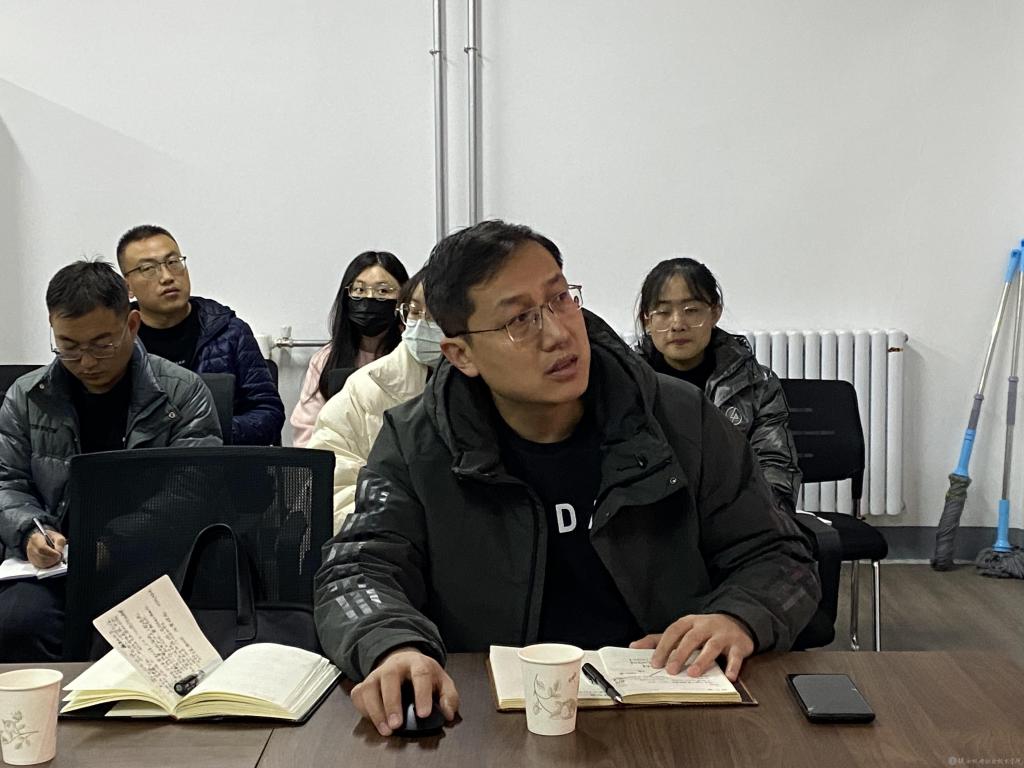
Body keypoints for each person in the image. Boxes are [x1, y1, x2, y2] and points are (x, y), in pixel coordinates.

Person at [313, 220, 820, 736]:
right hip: (488, 720)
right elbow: (357, 570)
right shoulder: (415, 441)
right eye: (519, 319)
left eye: (560, 299)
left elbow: (781, 555)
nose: (558, 333)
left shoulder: (680, 418)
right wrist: (393, 645)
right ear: (462, 354)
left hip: (668, 707)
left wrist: (737, 616)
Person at [0, 260, 221, 661]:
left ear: (132, 325)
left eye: (102, 345)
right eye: (68, 346)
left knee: (135, 643)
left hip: (149, 559)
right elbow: (6, 481)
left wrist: (112, 543)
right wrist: (31, 531)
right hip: (55, 564)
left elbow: (193, 489)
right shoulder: (27, 396)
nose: (86, 362)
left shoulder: (182, 392)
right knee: (17, 623)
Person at [634, 258, 801, 515]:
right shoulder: (625, 385)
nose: (677, 324)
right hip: (650, 525)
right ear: (647, 320)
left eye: (691, 310)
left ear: (714, 313)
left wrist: (754, 523)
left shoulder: (758, 385)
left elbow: (776, 469)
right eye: (663, 312)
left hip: (737, 522)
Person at [117, 225, 285, 446]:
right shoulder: (117, 342)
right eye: (148, 268)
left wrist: (203, 433)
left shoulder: (230, 333)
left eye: (173, 262)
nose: (167, 277)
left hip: (218, 461)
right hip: (142, 463)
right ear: (127, 287)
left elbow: (269, 414)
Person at [308, 268, 442, 533]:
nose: (422, 324)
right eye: (414, 312)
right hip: (384, 539)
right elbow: (330, 488)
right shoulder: (365, 388)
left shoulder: (501, 387)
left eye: (435, 315)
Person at [291, 252, 409, 447]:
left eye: (382, 291)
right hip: (338, 461)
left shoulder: (412, 358)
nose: (369, 298)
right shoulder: (326, 359)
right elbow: (308, 430)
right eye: (359, 290)